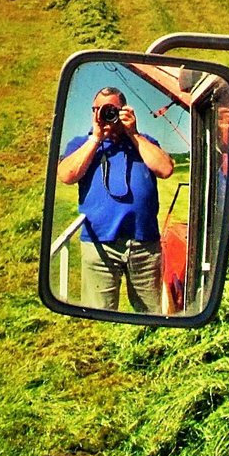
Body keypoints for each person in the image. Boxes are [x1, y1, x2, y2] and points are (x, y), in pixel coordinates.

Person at [57, 86, 176, 313]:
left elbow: (165, 169)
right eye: (100, 109)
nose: (105, 115)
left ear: (125, 111)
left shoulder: (143, 141)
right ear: (93, 112)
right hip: (99, 243)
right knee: (97, 313)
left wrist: (134, 133)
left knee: (152, 312)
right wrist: (95, 139)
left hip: (145, 243)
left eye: (112, 109)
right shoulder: (82, 143)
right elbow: (66, 175)